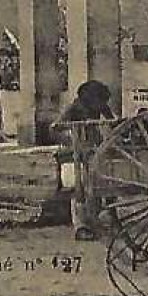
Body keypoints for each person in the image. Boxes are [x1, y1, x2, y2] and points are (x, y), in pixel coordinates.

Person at [59, 80, 116, 239]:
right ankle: (81, 226)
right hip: (74, 155)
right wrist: (72, 141)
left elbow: (113, 122)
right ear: (90, 99)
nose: (103, 105)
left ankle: (107, 216)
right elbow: (55, 128)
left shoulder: (100, 106)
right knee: (80, 188)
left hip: (94, 150)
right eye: (101, 102)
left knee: (107, 182)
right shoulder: (74, 109)